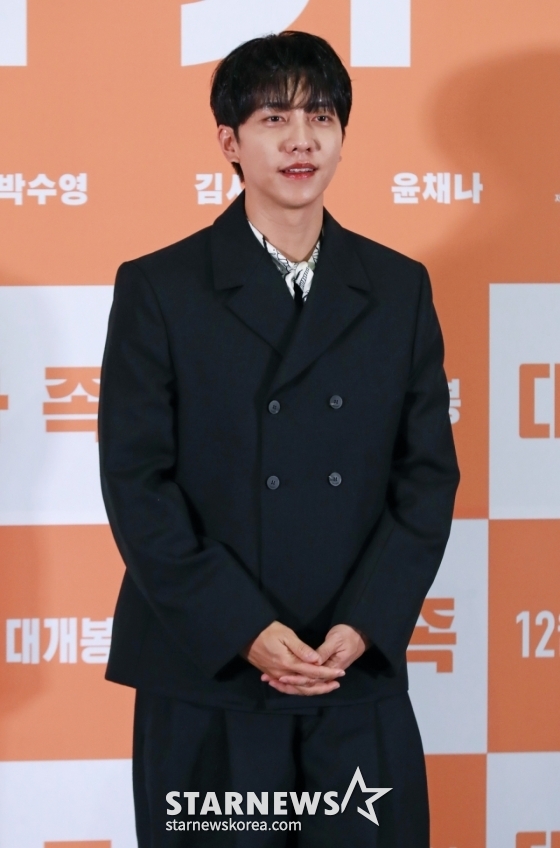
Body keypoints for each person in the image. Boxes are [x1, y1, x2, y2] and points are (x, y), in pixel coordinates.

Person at [99, 30, 460, 848]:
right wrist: (240, 627)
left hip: (349, 666)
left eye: (321, 117)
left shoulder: (397, 288)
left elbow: (426, 476)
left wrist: (366, 622)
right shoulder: (161, 287)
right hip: (211, 669)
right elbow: (136, 482)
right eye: (274, 118)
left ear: (342, 135)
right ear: (229, 141)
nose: (302, 140)